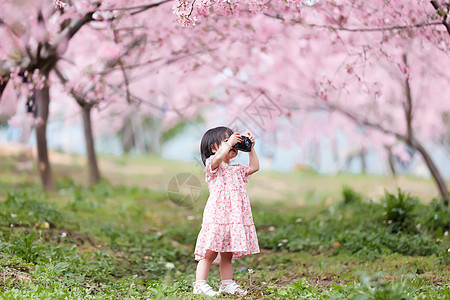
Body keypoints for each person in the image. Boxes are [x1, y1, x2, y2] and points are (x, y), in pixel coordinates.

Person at [193, 126, 260, 296]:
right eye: (226, 141)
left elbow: (254, 167)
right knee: (209, 251)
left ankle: (227, 283)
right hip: (217, 216)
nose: (233, 144)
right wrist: (228, 145)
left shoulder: (236, 169)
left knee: (227, 253)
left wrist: (251, 149)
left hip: (234, 217)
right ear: (213, 148)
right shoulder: (212, 166)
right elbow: (217, 160)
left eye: (234, 140)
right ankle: (200, 284)